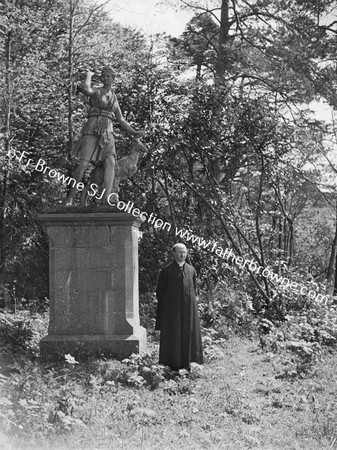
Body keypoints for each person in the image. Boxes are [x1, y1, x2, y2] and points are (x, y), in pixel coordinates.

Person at [65, 66, 140, 206]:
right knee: (83, 163)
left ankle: (106, 198)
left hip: (107, 131)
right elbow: (86, 90)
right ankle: (70, 198)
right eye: (103, 76)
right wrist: (88, 75)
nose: (105, 78)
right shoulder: (97, 91)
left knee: (110, 162)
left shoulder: (114, 97)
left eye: (107, 76)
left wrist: (133, 131)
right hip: (92, 128)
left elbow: (121, 119)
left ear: (113, 78)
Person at [155, 243, 204, 371]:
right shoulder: (166, 271)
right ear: (174, 254)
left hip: (189, 310)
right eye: (179, 252)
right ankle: (173, 364)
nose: (182, 255)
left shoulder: (191, 270)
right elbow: (160, 292)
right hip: (172, 311)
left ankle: (189, 362)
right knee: (174, 335)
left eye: (184, 252)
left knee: (189, 334)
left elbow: (194, 289)